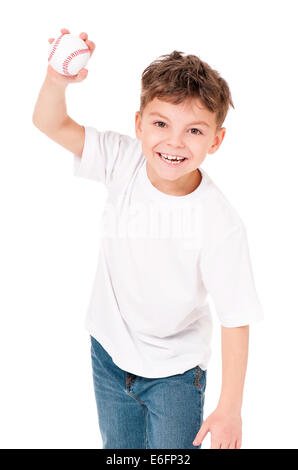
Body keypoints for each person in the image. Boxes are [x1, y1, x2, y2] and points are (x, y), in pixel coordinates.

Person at [32, 28, 264, 450]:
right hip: (108, 352)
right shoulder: (123, 159)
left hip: (174, 374)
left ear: (216, 140)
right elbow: (48, 122)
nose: (174, 141)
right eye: (161, 123)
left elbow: (236, 316)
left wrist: (230, 408)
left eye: (194, 130)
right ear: (139, 125)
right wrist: (57, 80)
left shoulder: (220, 222)